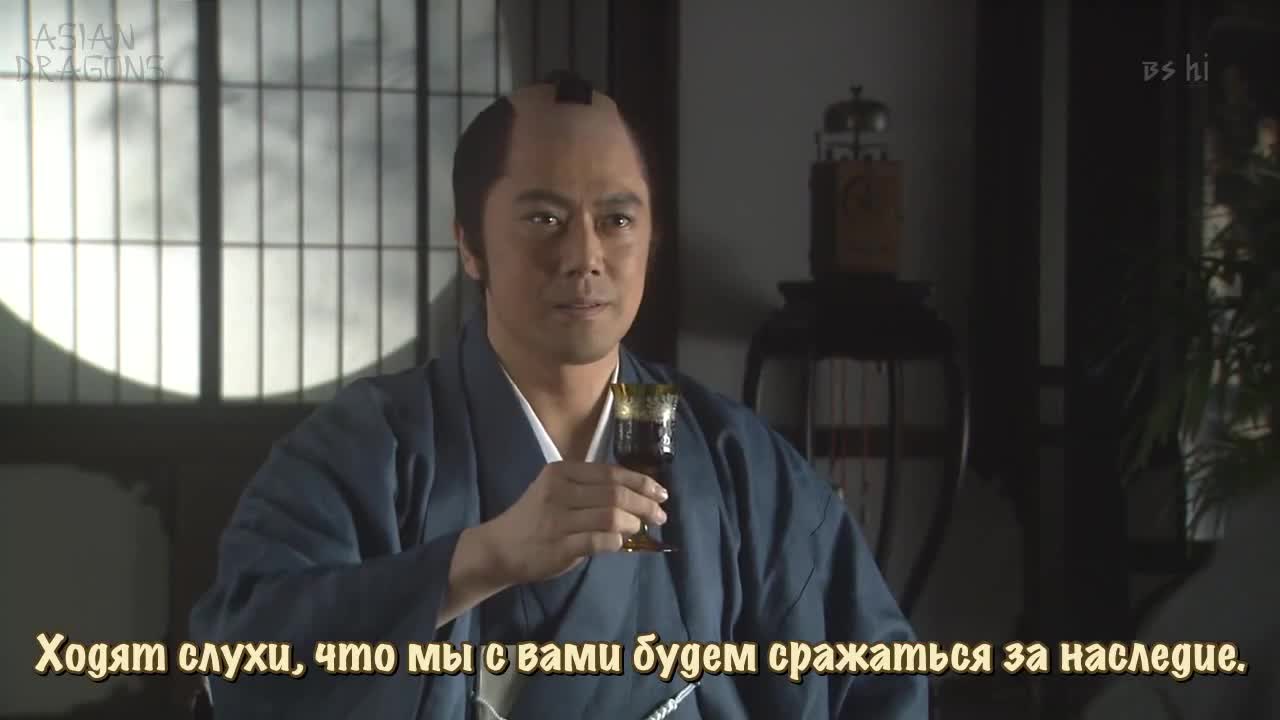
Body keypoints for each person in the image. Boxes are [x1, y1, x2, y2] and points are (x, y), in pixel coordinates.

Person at [189, 70, 926, 719]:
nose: (584, 256)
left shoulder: (733, 459)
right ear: (470, 244)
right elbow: (241, 663)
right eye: (543, 219)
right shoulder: (368, 446)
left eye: (617, 220)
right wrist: (476, 561)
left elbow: (875, 676)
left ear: (651, 238)